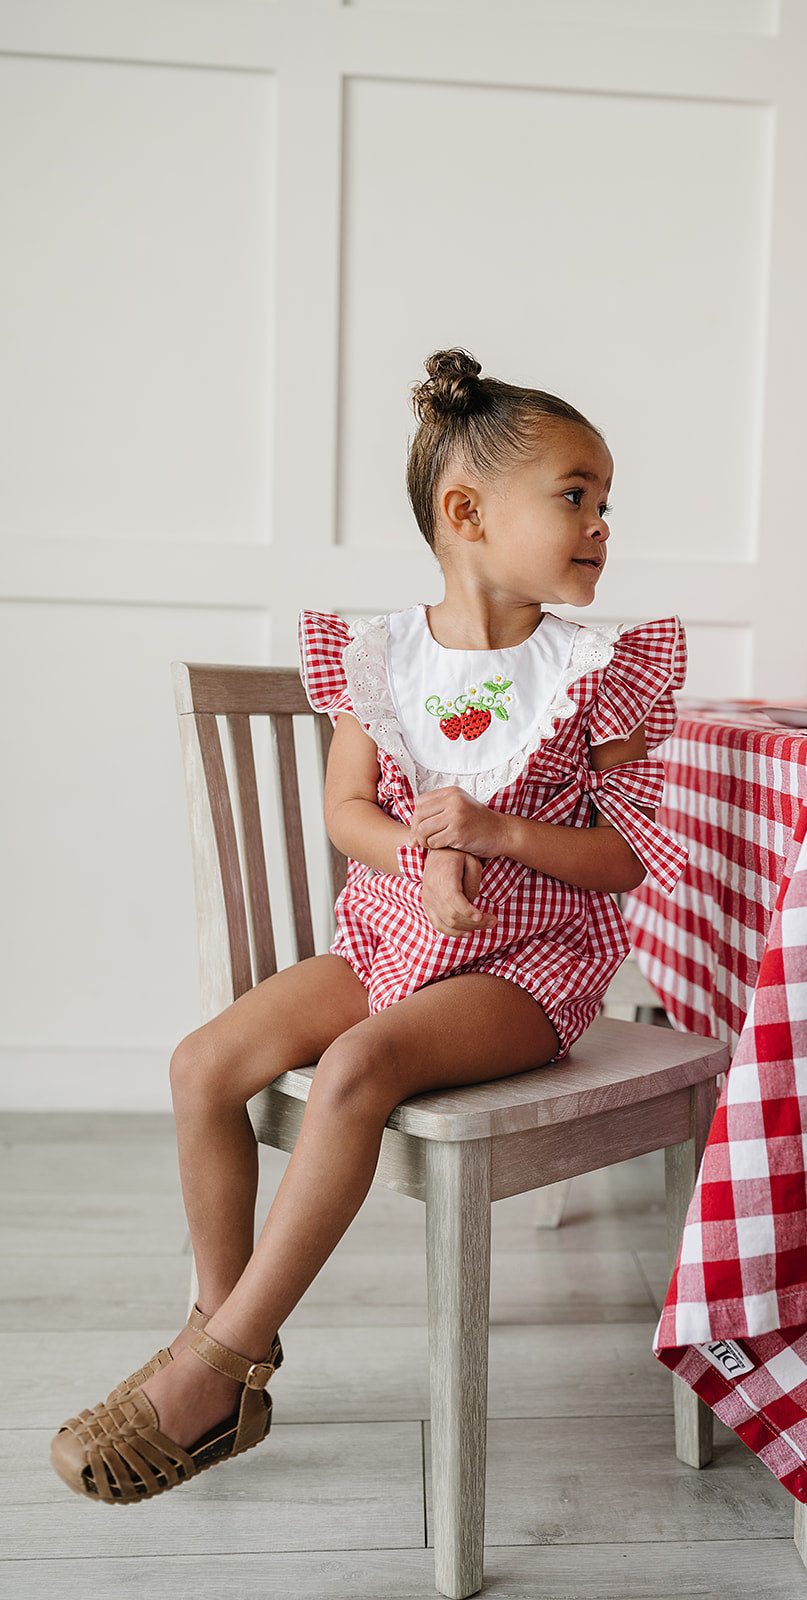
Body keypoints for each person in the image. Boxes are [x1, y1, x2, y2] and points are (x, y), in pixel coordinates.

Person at [50, 348, 688, 1503]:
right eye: (575, 495)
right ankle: (228, 1328)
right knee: (203, 1064)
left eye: (605, 501)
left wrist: (497, 838)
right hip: (393, 940)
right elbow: (347, 809)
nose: (602, 523)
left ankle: (209, 1373)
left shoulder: (599, 671)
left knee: (355, 1070)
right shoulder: (381, 660)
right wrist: (421, 856)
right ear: (466, 513)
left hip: (524, 967)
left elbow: (625, 854)